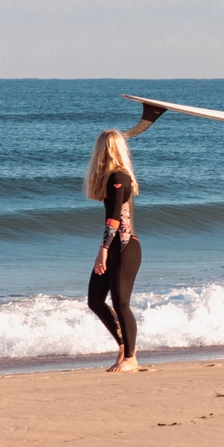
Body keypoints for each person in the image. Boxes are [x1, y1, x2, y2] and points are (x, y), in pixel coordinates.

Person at [84, 129, 143, 372]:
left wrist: (103, 249)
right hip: (118, 246)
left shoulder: (119, 176)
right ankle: (123, 346)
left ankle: (131, 356)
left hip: (125, 247)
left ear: (104, 150)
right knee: (95, 300)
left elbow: (114, 219)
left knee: (121, 303)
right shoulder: (114, 177)